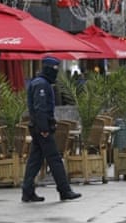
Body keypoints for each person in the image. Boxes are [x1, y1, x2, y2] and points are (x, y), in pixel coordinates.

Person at [22, 56, 82, 202]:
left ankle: (27, 191)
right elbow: (40, 108)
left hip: (39, 127)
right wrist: (44, 128)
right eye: (54, 69)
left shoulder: (41, 83)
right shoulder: (41, 84)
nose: (56, 73)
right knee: (54, 159)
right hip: (42, 129)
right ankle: (64, 190)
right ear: (48, 69)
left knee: (35, 160)